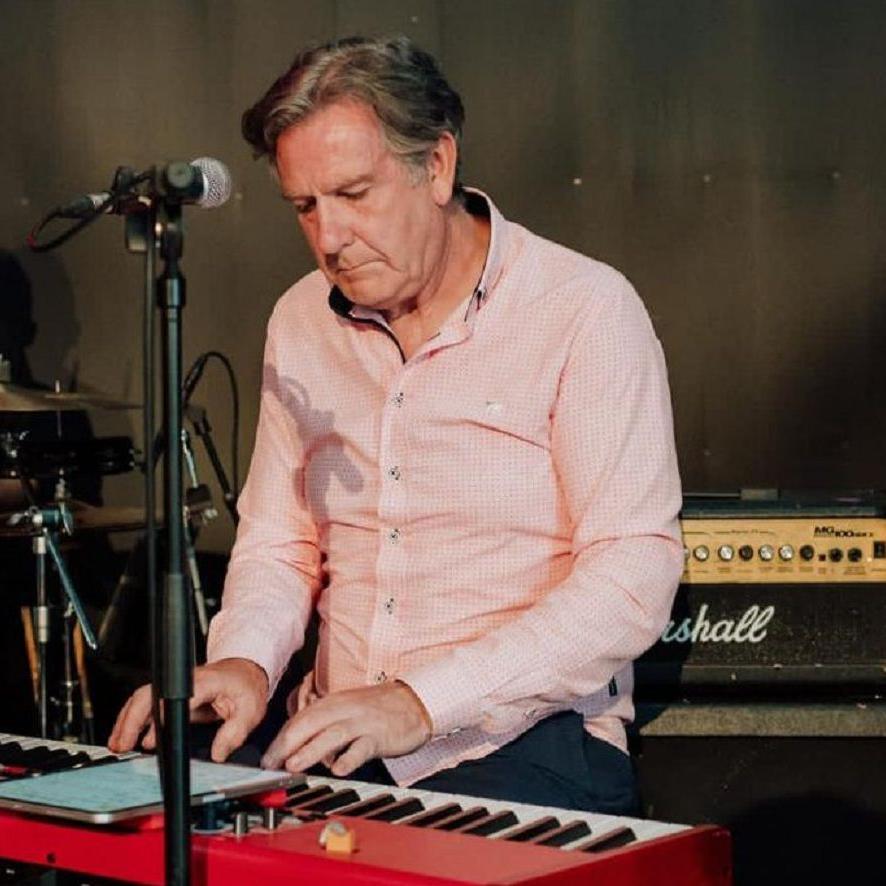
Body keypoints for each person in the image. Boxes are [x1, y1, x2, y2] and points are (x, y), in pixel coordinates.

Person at [110, 35, 683, 815]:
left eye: (354, 194)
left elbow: (631, 578)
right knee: (147, 816)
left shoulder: (584, 310)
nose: (330, 237)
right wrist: (245, 661)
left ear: (437, 166)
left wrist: (422, 702)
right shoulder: (300, 319)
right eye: (305, 207)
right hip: (330, 730)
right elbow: (282, 540)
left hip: (517, 737)